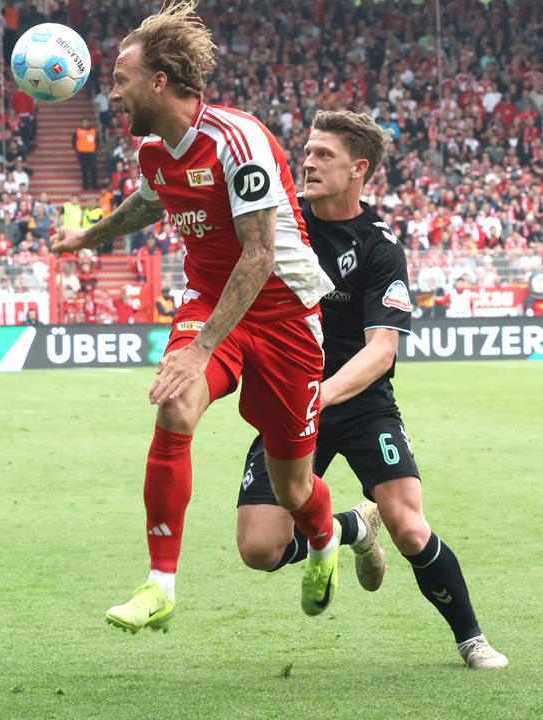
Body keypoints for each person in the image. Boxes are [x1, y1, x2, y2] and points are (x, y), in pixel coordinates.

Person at [52, 0, 336, 634]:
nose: (112, 93)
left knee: (292, 489)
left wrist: (200, 349)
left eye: (121, 79)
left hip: (285, 313)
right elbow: (148, 204)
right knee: (175, 404)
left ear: (159, 81)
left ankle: (325, 540)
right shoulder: (155, 152)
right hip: (212, 300)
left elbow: (260, 257)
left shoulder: (238, 139)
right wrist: (87, 237)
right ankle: (161, 584)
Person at [235, 110, 508, 671]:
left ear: (359, 169)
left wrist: (320, 394)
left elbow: (381, 351)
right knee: (259, 549)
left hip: (361, 404)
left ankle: (472, 639)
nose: (308, 163)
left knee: (408, 525)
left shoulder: (380, 246)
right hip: (291, 399)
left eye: (324, 155)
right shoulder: (281, 223)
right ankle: (354, 527)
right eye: (307, 152)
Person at [72, 118, 98, 191]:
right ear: (81, 123)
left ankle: (94, 185)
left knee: (93, 169)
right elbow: (74, 142)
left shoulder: (93, 131)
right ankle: (85, 185)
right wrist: (77, 151)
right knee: (84, 169)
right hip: (82, 154)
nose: (85, 124)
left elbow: (97, 141)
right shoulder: (77, 131)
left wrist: (95, 150)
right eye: (84, 122)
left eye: (87, 122)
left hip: (91, 153)